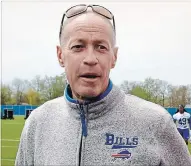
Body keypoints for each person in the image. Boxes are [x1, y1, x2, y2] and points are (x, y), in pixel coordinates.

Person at [15, 4, 191, 166]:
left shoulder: (156, 122)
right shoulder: (38, 123)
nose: (90, 59)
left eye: (101, 47)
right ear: (60, 55)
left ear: (114, 57)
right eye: (78, 46)